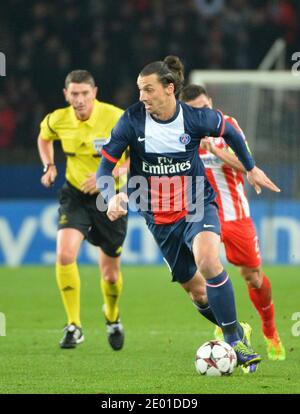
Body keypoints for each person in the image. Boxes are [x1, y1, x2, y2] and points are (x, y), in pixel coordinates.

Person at [97, 55, 280, 372]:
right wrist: (109, 196)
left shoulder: (195, 118)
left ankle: (235, 340)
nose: (142, 97)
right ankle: (235, 331)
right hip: (159, 218)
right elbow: (105, 166)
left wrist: (251, 169)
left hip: (197, 204)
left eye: (148, 90)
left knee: (209, 261)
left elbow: (231, 134)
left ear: (169, 89)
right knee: (197, 293)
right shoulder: (131, 121)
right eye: (140, 90)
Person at [180, 84, 286, 361]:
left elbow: (246, 164)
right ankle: (232, 329)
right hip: (200, 215)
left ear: (211, 103)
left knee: (253, 277)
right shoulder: (180, 132)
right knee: (203, 275)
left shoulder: (227, 128)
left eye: (205, 107)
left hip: (235, 215)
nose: (202, 113)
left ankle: (270, 329)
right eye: (196, 110)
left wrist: (214, 151)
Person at [37, 70, 128, 350]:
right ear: (66, 95)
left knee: (110, 274)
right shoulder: (57, 119)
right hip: (74, 194)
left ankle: (112, 317)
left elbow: (138, 155)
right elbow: (44, 137)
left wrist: (111, 175)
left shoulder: (116, 117)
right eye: (74, 94)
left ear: (94, 93)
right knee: (64, 254)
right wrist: (50, 165)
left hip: (109, 198)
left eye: (84, 94)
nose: (79, 100)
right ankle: (74, 325)